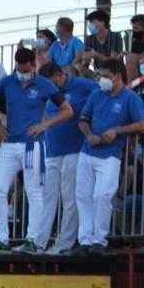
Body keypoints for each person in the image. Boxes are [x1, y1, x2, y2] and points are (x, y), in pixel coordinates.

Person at [0, 48, 72, 253]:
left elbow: (68, 110)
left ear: (34, 66)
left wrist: (44, 125)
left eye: (25, 69)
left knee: (34, 191)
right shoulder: (6, 82)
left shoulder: (45, 84)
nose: (21, 73)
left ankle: (33, 239)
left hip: (32, 145)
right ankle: (2, 238)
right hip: (9, 143)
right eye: (18, 69)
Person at [76, 59, 144, 253]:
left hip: (110, 155)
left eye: (105, 76)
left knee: (102, 195)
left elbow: (141, 124)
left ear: (117, 77)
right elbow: (83, 120)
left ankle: (100, 239)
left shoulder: (130, 98)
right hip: (87, 151)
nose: (101, 79)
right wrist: (89, 135)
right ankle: (85, 240)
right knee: (83, 196)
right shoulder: (96, 94)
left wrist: (117, 131)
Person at [40, 63, 99, 254]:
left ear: (59, 76)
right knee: (46, 197)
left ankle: (64, 243)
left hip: (73, 150)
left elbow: (103, 97)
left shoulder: (82, 86)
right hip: (52, 151)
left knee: (69, 198)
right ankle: (38, 242)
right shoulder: (50, 91)